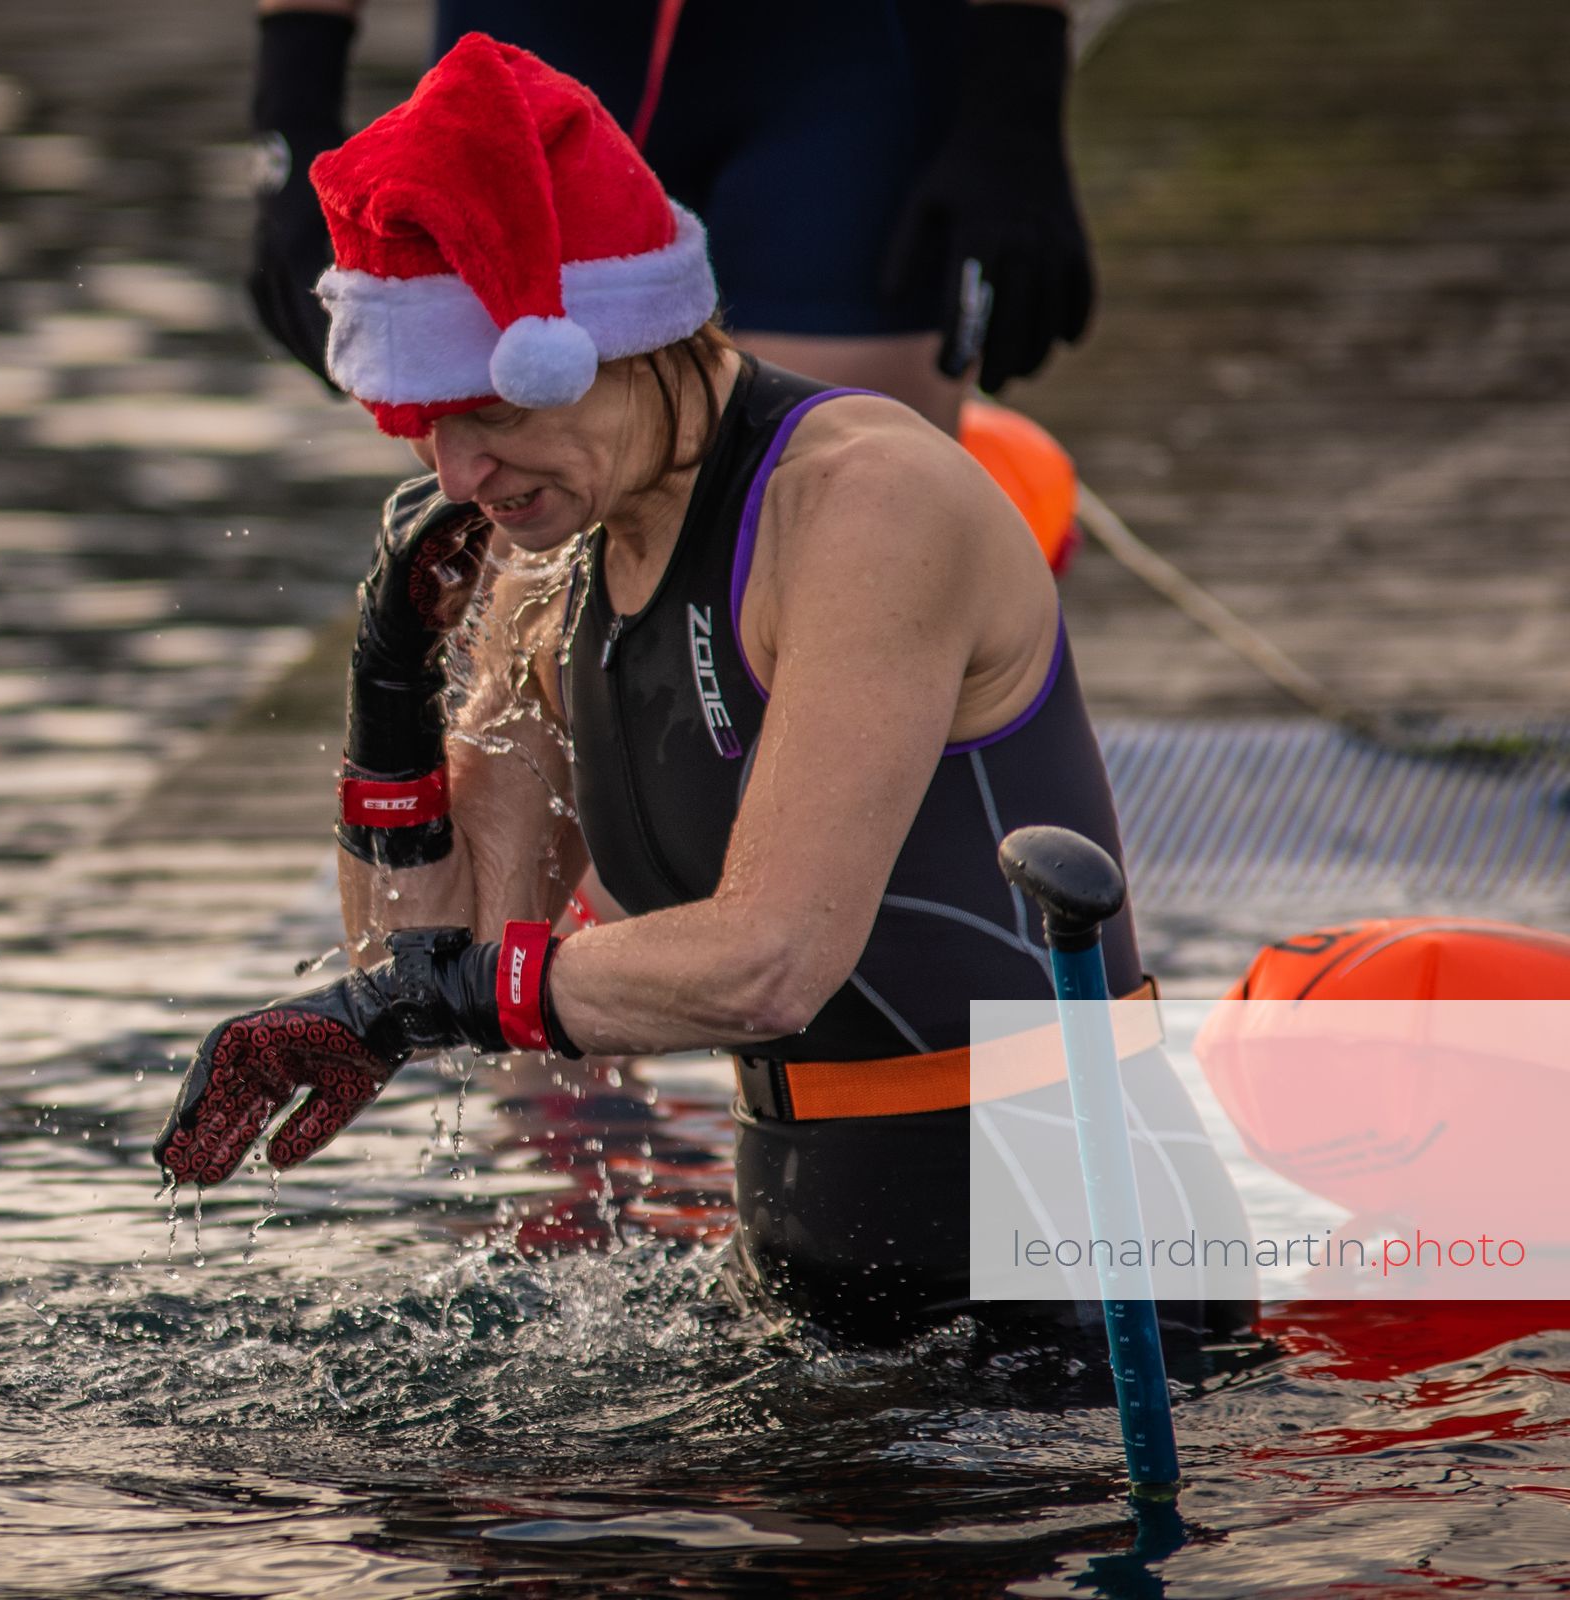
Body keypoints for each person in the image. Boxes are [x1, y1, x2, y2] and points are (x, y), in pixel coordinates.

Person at [160, 36, 1248, 1346]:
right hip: (806, 1268)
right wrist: (388, 690)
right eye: (423, 428)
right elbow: (433, 956)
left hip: (1069, 1274)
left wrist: (422, 998)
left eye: (486, 415)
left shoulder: (861, 504)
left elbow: (771, 960)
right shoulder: (549, 570)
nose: (455, 476)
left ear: (608, 343)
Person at [246, 0, 1094, 433]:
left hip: (845, 53)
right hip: (534, 37)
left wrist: (1017, 90)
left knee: (845, 502)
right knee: (519, 530)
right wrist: (293, 105)